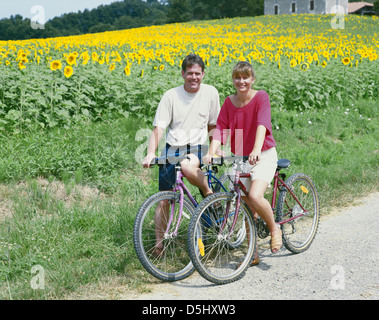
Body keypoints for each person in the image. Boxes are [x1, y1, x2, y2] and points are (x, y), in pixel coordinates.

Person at [203, 61, 282, 265]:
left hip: (263, 154)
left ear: (252, 79)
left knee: (255, 196)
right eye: (237, 77)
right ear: (233, 80)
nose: (241, 81)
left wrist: (256, 149)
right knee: (247, 206)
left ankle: (274, 228)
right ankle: (253, 253)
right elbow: (220, 129)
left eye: (245, 77)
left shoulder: (261, 97)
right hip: (241, 157)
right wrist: (211, 152)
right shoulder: (229, 103)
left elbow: (262, 124)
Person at [142, 54, 221, 256]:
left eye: (197, 73)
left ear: (203, 74)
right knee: (163, 199)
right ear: (182, 74)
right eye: (189, 73)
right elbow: (158, 128)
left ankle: (208, 191)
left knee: (187, 167)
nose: (193, 77)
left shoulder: (210, 93)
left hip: (196, 147)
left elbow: (214, 125)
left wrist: (214, 149)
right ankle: (158, 245)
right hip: (172, 148)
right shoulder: (171, 96)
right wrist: (151, 153)